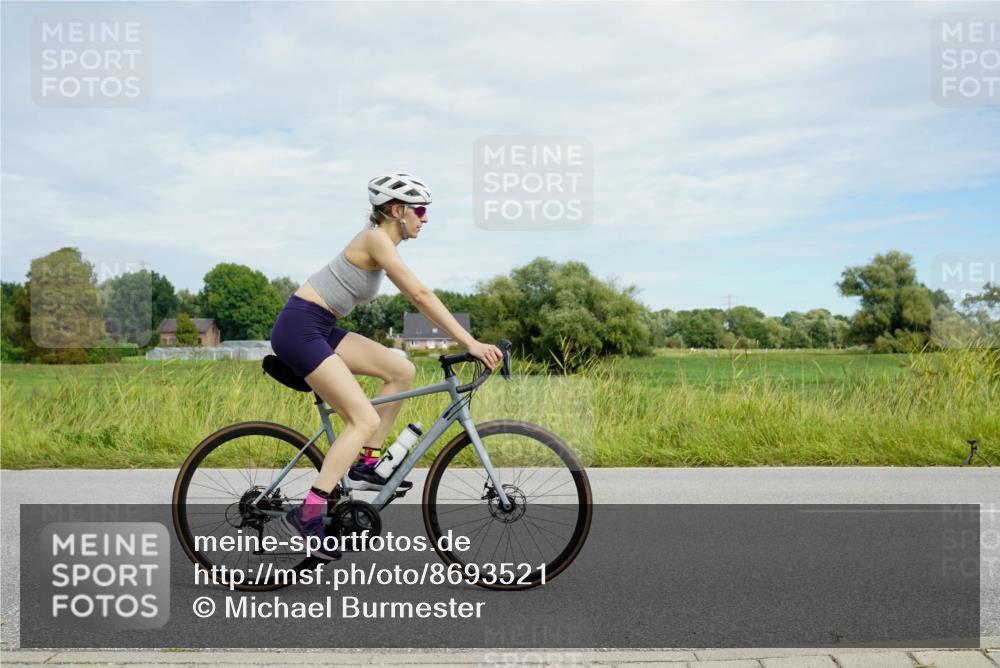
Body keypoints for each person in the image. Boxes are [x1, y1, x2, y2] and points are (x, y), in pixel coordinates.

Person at [269, 172, 503, 560]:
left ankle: (366, 464)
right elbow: (418, 293)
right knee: (363, 420)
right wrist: (471, 343)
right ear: (396, 211)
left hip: (320, 327)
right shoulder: (376, 239)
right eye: (421, 210)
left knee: (400, 369)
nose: (425, 219)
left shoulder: (382, 242)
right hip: (300, 329)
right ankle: (308, 514)